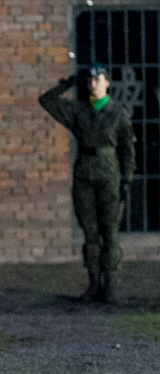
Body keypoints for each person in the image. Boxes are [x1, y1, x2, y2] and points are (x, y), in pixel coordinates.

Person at [39, 62, 135, 303]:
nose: (93, 83)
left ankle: (110, 282)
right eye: (90, 80)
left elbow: (127, 150)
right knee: (90, 232)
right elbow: (47, 101)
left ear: (107, 82)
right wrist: (68, 84)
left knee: (110, 231)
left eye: (98, 79)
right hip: (84, 172)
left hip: (109, 173)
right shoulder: (79, 111)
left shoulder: (118, 114)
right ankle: (94, 282)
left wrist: (127, 178)